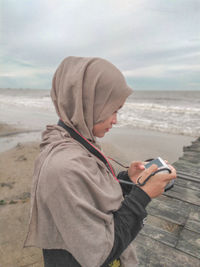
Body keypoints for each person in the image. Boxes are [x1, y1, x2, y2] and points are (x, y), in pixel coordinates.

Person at [24, 56, 176, 267]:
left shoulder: (74, 139)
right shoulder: (63, 167)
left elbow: (88, 193)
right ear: (88, 104)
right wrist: (143, 195)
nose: (116, 120)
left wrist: (125, 179)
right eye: (112, 110)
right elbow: (101, 254)